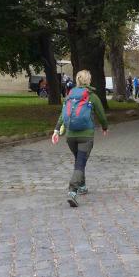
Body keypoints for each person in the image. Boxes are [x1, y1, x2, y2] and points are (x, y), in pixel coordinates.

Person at [52, 70, 108, 207]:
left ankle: (82, 186)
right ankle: (72, 191)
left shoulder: (70, 95)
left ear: (77, 80)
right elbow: (101, 114)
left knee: (79, 161)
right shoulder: (92, 96)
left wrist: (56, 130)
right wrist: (105, 127)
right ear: (89, 80)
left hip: (70, 136)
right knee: (80, 163)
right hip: (86, 136)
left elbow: (63, 114)